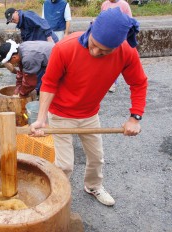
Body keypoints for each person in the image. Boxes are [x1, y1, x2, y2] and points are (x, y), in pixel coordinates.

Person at [30, 8, 147, 206]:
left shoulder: (126, 52)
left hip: (89, 114)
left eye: (104, 51)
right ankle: (56, 194)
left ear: (118, 46)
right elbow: (49, 83)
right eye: (94, 45)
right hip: (60, 113)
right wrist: (41, 119)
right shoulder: (65, 48)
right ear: (91, 28)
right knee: (65, 165)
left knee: (97, 158)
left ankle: (93, 186)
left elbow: (139, 83)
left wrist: (135, 117)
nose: (95, 52)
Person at [4, 8, 58, 93]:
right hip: (37, 49)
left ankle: (39, 91)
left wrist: (49, 38)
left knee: (47, 71)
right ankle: (38, 90)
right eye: (10, 20)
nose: (12, 21)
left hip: (48, 42)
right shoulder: (21, 26)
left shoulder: (27, 15)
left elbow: (43, 22)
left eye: (12, 18)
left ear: (16, 12)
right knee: (37, 70)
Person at [101, 2, 133, 92]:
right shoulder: (105, 4)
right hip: (106, 37)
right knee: (105, 60)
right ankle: (105, 82)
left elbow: (130, 21)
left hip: (119, 38)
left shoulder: (124, 5)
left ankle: (112, 83)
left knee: (114, 61)